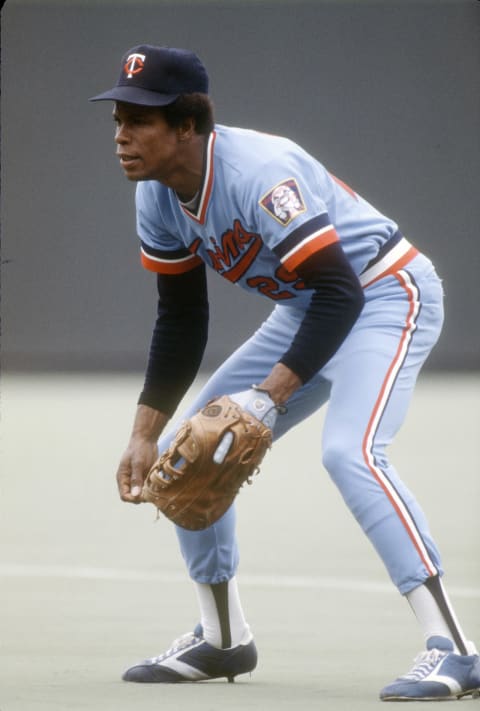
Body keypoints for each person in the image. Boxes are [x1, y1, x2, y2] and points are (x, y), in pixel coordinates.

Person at [90, 45, 480, 700]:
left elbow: (342, 293)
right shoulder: (156, 196)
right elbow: (181, 320)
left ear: (188, 125)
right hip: (309, 308)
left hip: (386, 293)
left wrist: (272, 396)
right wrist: (143, 433)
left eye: (141, 119)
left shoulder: (258, 173)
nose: (123, 135)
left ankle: (456, 648)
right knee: (200, 444)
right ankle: (221, 638)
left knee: (351, 452)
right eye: (118, 119)